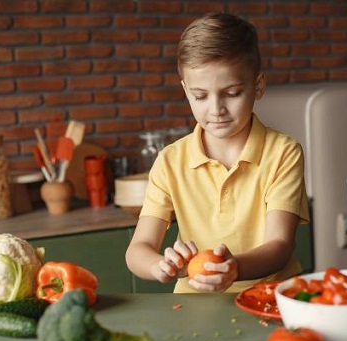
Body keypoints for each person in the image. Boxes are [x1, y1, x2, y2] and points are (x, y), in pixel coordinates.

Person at [125, 12, 309, 293]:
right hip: (193, 305)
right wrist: (158, 265)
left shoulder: (283, 153)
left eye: (232, 93)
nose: (216, 109)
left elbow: (280, 245)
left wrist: (234, 269)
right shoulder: (170, 161)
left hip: (270, 299)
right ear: (186, 90)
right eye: (200, 96)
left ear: (257, 86)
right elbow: (138, 249)